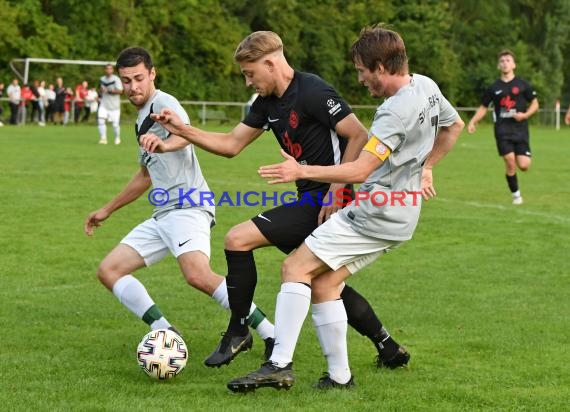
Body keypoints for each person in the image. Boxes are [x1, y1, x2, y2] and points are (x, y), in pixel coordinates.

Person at [145, 30, 410, 370]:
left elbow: (358, 133)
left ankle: (239, 330)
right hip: (311, 200)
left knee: (237, 239)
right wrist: (182, 129)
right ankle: (387, 346)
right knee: (322, 283)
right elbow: (230, 145)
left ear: (270, 63)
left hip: (326, 201)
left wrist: (334, 191)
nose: (247, 82)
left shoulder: (313, 90)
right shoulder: (267, 104)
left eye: (250, 73)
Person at [225, 25, 464, 392]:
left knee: (294, 267)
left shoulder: (392, 112)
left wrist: (301, 170)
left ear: (381, 67)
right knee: (325, 283)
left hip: (374, 213)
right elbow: (454, 126)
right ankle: (339, 378)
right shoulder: (426, 86)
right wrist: (427, 167)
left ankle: (278, 364)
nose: (362, 79)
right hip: (403, 214)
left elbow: (360, 169)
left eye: (363, 71)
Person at [84, 47, 274, 356]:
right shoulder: (140, 120)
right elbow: (145, 175)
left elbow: (186, 134)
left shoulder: (163, 103)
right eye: (126, 81)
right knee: (110, 270)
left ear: (152, 74)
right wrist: (106, 209)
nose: (133, 87)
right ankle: (164, 331)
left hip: (187, 205)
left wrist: (165, 143)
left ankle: (271, 334)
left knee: (197, 274)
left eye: (139, 78)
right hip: (164, 213)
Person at [467, 50, 538, 205]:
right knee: (510, 160)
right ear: (499, 65)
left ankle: (515, 187)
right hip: (502, 130)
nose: (505, 63)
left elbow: (535, 103)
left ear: (514, 64)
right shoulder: (494, 88)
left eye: (508, 60)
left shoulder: (522, 84)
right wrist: (473, 121)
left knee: (524, 165)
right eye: (502, 61)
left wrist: (525, 115)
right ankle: (516, 195)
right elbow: (483, 107)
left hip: (520, 129)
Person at [98, 64, 123, 144]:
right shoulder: (102, 79)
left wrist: (108, 91)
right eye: (107, 69)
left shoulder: (116, 79)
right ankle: (103, 138)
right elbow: (101, 90)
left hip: (114, 106)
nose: (108, 70)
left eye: (110, 69)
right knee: (101, 120)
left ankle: (117, 138)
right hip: (104, 104)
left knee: (115, 125)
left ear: (112, 70)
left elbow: (120, 91)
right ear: (105, 70)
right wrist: (100, 92)